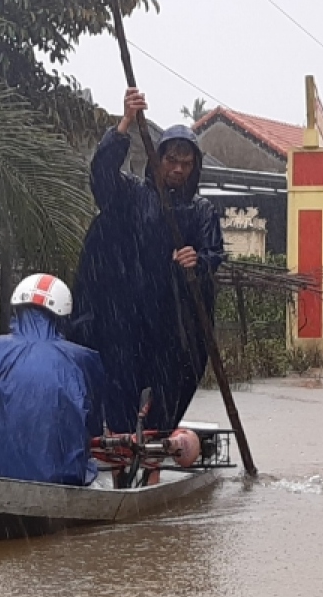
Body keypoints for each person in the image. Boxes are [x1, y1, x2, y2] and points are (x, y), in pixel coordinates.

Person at [69, 87, 226, 435]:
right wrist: (125, 122)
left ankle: (155, 446)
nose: (178, 170)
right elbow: (102, 177)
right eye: (172, 161)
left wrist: (196, 260)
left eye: (186, 164)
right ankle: (120, 444)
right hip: (123, 319)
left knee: (169, 387)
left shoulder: (200, 211)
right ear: (157, 159)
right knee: (118, 384)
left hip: (170, 324)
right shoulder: (131, 197)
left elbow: (214, 253)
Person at [0, 273, 105, 486]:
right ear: (62, 316)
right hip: (61, 472)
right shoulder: (84, 359)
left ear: (17, 308)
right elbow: (94, 424)